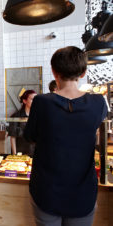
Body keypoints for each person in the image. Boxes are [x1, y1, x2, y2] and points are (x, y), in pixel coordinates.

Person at [24, 46, 107, 226]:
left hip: (46, 190)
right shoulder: (98, 102)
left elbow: (30, 135)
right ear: (83, 72)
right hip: (83, 192)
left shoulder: (41, 102)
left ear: (54, 72)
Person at [8, 90, 36, 156]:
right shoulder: (16, 116)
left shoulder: (39, 116)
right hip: (20, 152)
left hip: (35, 152)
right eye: (32, 99)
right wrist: (14, 154)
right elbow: (12, 137)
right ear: (25, 101)